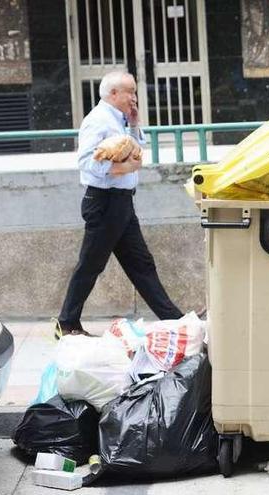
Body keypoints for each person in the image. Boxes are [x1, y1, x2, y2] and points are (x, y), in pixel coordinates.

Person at [56, 71, 182, 338]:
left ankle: (174, 319)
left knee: (141, 264)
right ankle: (66, 324)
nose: (134, 98)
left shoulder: (121, 119)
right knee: (91, 264)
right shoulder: (97, 120)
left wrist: (134, 124)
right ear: (113, 94)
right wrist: (123, 168)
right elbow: (86, 162)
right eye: (130, 92)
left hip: (121, 203)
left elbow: (135, 146)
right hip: (104, 203)